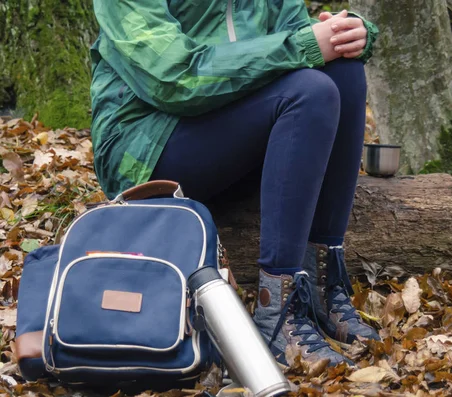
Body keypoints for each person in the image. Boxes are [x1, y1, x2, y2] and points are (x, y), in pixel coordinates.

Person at [90, 0, 380, 367]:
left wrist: (349, 34)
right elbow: (175, 78)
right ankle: (276, 310)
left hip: (232, 135)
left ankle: (323, 283)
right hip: (148, 149)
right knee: (310, 90)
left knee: (343, 70)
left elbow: (295, 30)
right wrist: (303, 44)